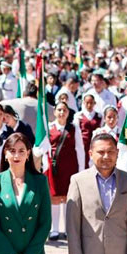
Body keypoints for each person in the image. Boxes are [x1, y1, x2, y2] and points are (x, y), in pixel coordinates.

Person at [46, 102, 86, 240]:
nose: (62, 113)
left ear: (68, 112)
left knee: (69, 198)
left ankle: (68, 229)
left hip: (70, 166)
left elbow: (80, 149)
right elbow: (46, 148)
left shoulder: (74, 128)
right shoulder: (49, 127)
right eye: (59, 110)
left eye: (64, 110)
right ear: (55, 112)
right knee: (55, 198)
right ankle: (55, 229)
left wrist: (81, 169)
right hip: (55, 167)